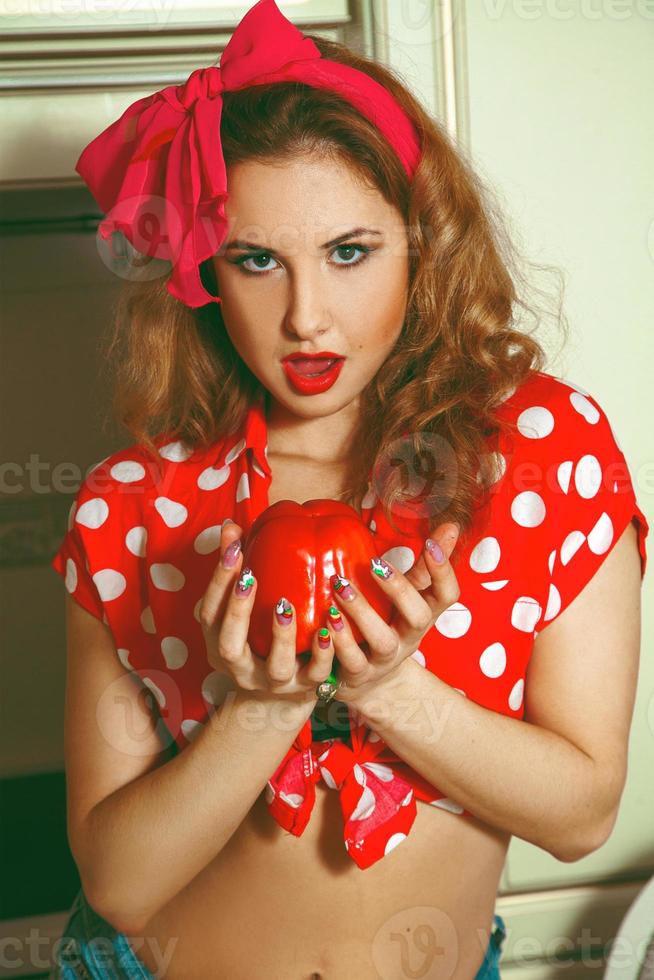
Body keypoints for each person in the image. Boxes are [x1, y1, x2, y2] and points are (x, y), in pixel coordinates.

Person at [49, 1, 648, 978]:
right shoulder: (129, 505)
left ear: (424, 244)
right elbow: (119, 881)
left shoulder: (541, 454)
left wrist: (392, 689)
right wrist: (260, 707)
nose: (306, 317)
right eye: (256, 260)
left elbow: (581, 815)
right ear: (205, 269)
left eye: (349, 251)